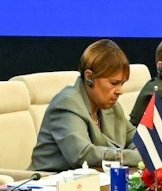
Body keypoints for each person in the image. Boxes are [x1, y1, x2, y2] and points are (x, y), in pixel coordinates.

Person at [31, 39, 144, 172]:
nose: (120, 91)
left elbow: (136, 139)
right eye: (114, 83)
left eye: (122, 84)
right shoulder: (67, 104)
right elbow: (82, 155)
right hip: (48, 184)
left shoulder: (112, 107)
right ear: (89, 77)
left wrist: (137, 149)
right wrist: (137, 157)